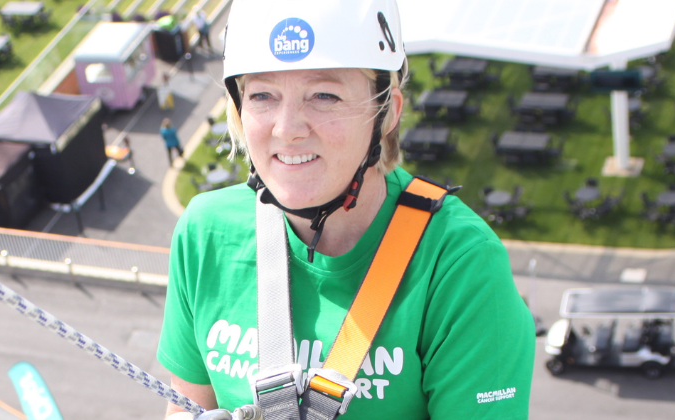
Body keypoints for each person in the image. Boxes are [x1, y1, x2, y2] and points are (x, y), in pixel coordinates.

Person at [156, 1, 534, 419]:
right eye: (263, 95)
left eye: (324, 95)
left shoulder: (460, 263)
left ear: (387, 111)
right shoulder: (206, 233)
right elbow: (183, 408)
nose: (288, 128)